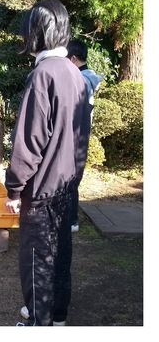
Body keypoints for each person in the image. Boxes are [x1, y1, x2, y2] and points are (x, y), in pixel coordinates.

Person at [4, 0, 91, 327]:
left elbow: (29, 143)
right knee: (58, 259)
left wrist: (14, 190)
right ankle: (57, 319)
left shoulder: (43, 74)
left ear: (34, 33)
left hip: (40, 193)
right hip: (66, 189)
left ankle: (39, 325)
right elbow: (81, 141)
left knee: (37, 262)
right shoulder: (74, 73)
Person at [66, 39, 103, 232]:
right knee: (72, 176)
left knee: (70, 177)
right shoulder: (87, 78)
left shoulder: (81, 80)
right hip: (81, 134)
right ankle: (70, 218)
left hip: (75, 134)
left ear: (73, 58)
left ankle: (71, 220)